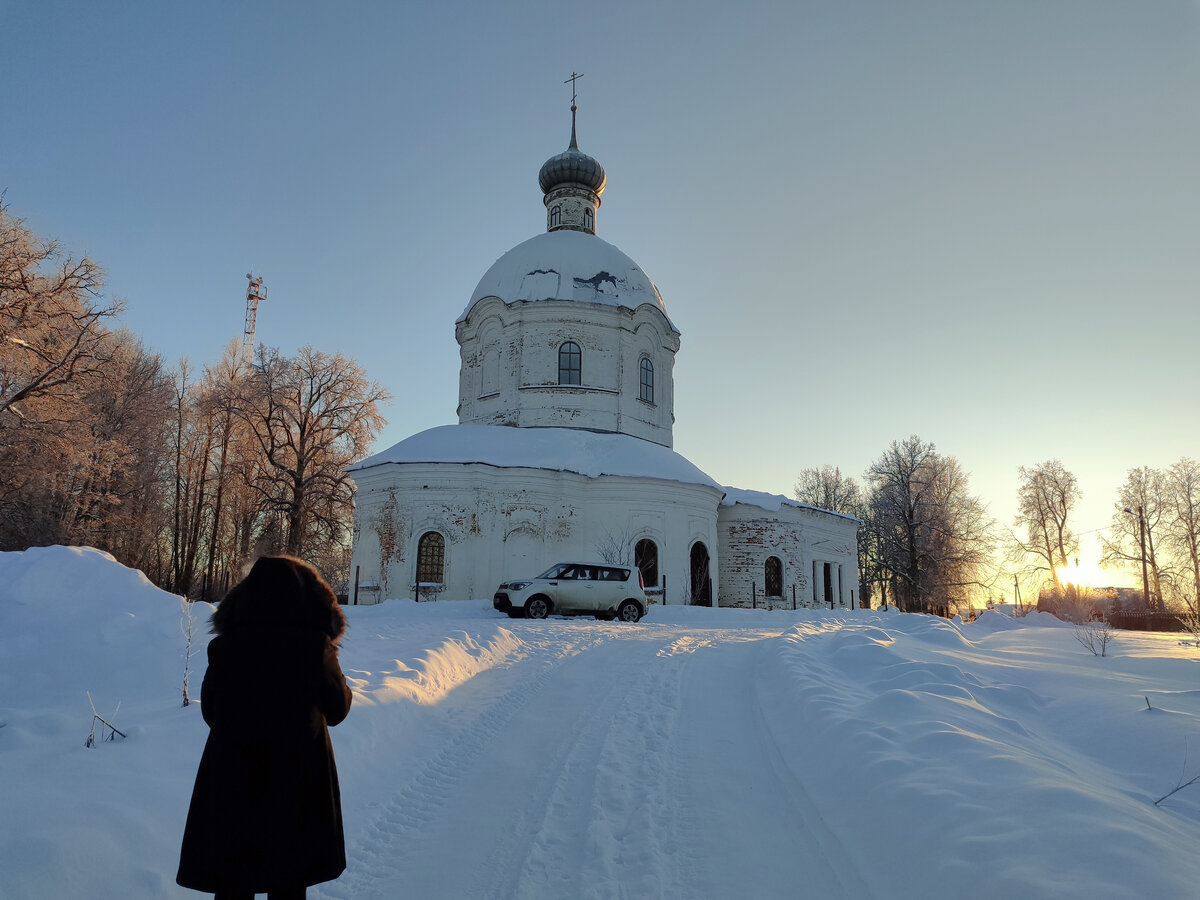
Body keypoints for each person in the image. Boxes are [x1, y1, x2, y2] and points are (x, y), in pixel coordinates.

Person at [177, 555, 353, 899]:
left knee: (233, 878)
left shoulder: (226, 646)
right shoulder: (313, 647)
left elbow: (211, 711)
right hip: (297, 783)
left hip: (233, 780)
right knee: (288, 878)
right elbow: (338, 709)